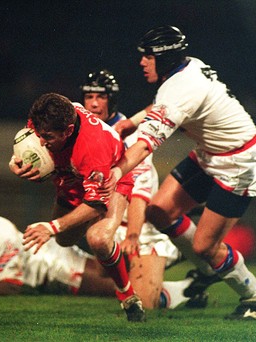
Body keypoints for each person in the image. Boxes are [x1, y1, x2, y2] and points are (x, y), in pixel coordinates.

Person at [110, 25, 256, 320]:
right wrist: (129, 123)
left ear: (165, 58)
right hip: (212, 154)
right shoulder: (187, 67)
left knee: (204, 245)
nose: (141, 62)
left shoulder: (181, 89)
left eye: (147, 56)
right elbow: (163, 104)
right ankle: (210, 268)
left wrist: (113, 172)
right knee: (159, 211)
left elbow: (146, 146)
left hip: (241, 162)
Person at [81, 69, 217, 309]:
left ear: (112, 100)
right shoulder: (85, 132)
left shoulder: (130, 138)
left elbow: (139, 193)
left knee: (143, 302)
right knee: (100, 286)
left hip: (140, 228)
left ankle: (184, 283)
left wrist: (133, 236)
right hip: (110, 227)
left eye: (100, 97)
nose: (93, 103)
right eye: (89, 96)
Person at [9, 93, 146, 322]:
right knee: (64, 240)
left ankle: (127, 294)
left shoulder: (93, 148)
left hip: (111, 179)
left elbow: (95, 202)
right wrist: (15, 164)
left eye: (48, 137)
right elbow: (25, 143)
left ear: (69, 130)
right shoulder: (45, 116)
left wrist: (51, 226)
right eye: (40, 135)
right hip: (72, 178)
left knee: (99, 238)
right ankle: (100, 233)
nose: (41, 142)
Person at [0, 194, 194, 309]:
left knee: (118, 289)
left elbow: (11, 285)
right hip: (38, 274)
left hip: (49, 264)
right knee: (115, 277)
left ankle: (179, 267)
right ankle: (186, 285)